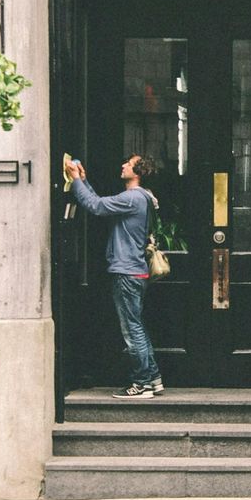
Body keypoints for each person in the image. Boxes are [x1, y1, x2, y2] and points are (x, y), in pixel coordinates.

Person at [68, 154, 163, 399]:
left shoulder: (132, 197)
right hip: (135, 270)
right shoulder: (143, 198)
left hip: (126, 271)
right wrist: (84, 182)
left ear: (138, 172)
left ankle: (141, 384)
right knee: (137, 326)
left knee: (132, 330)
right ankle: (153, 378)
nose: (122, 165)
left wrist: (76, 180)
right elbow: (98, 201)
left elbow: (96, 207)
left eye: (128, 164)